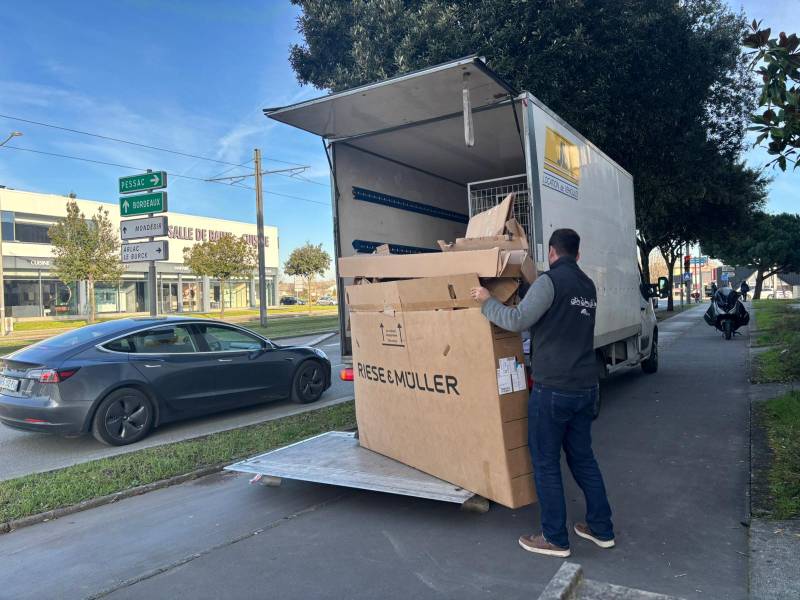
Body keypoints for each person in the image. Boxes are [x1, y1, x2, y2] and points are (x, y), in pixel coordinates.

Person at [470, 228, 614, 558]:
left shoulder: (550, 282)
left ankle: (554, 538)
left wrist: (486, 302)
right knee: (583, 459)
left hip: (554, 389)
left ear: (551, 253)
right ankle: (601, 528)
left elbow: (518, 319)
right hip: (586, 387)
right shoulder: (587, 286)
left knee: (546, 463)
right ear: (577, 255)